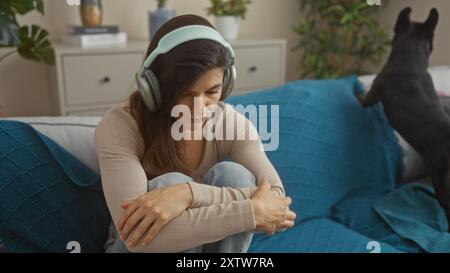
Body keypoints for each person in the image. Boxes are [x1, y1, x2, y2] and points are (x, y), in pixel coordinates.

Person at [95, 14, 296, 253]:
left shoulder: (230, 123)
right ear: (155, 88)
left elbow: (278, 203)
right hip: (131, 247)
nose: (199, 109)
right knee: (170, 182)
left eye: (212, 91)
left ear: (227, 83)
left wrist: (188, 194)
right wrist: (250, 211)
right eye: (186, 94)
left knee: (233, 175)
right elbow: (137, 240)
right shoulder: (120, 126)